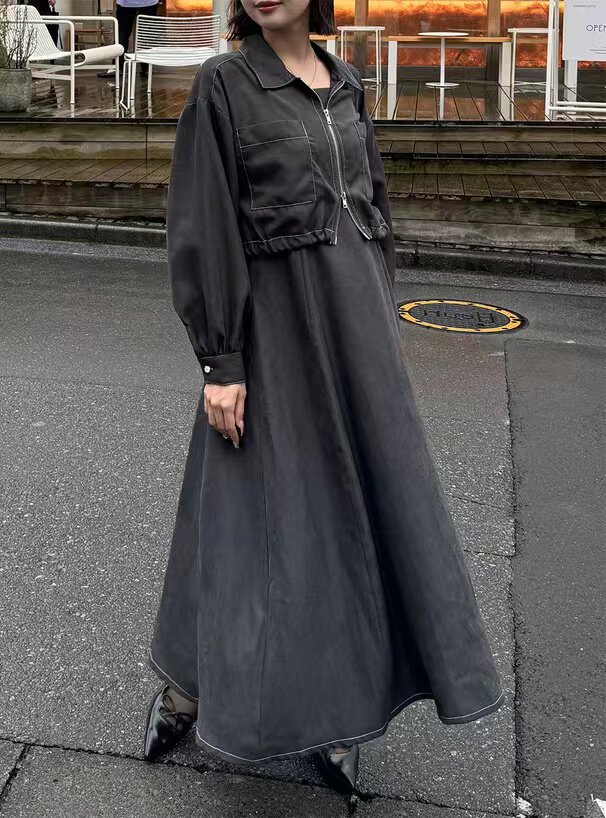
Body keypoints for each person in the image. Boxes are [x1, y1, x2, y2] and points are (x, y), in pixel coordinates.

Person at [142, 0, 506, 796]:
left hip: (357, 339)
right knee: (247, 515)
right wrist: (220, 360)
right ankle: (187, 690)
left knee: (354, 518)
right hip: (271, 339)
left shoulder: (347, 84)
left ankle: (341, 712)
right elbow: (201, 223)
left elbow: (374, 210)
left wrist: (379, 316)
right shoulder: (223, 85)